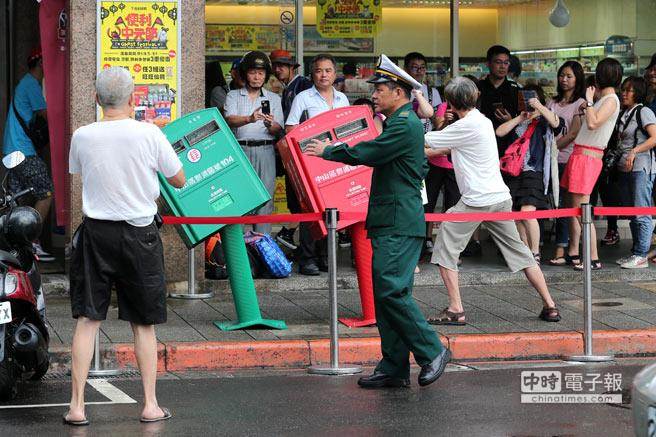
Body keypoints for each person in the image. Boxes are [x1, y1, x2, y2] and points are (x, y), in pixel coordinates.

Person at [305, 54, 450, 389]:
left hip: (400, 220)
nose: (374, 94)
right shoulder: (401, 122)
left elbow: (369, 152)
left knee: (390, 290)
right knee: (388, 294)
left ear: (398, 92)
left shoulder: (404, 124)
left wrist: (329, 150)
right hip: (390, 218)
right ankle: (393, 366)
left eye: (380, 88)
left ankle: (433, 350)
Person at [65, 67, 185, 426]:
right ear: (134, 99)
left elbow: (79, 173)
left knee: (88, 319)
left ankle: (76, 407)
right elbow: (178, 179)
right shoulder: (149, 134)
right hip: (140, 235)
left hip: (96, 234)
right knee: (143, 323)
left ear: (96, 99)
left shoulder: (82, 136)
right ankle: (149, 404)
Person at [424, 77, 560, 325]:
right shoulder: (482, 121)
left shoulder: (463, 126)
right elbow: (445, 148)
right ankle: (550, 305)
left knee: (444, 246)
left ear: (451, 103)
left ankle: (455, 309)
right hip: (499, 198)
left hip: (476, 199)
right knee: (522, 252)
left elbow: (427, 143)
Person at [285, 53, 350, 275]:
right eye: (319, 70)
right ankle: (307, 258)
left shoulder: (342, 99)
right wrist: (312, 140)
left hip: (337, 159)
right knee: (311, 209)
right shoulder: (303, 97)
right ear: (312, 74)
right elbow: (290, 128)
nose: (323, 75)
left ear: (334, 73)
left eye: (328, 70)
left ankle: (325, 256)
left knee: (333, 208)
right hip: (312, 160)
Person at [561, 58, 622, 271]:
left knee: (582, 209)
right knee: (575, 208)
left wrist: (587, 102)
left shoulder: (611, 100)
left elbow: (594, 123)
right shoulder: (602, 99)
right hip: (581, 155)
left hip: (587, 157)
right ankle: (579, 253)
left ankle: (593, 258)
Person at [495, 84, 564, 262]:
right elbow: (500, 132)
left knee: (527, 211)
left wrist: (539, 107)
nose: (525, 101)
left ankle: (535, 252)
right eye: (522, 98)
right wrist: (519, 117)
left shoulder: (544, 121)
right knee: (517, 214)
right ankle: (525, 250)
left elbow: (558, 124)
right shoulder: (520, 119)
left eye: (528, 97)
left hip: (535, 172)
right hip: (515, 173)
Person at [3, 47, 55, 262]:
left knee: (17, 198)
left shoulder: (25, 83)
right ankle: (32, 242)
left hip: (13, 149)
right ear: (41, 63)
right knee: (46, 193)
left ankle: (16, 243)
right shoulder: (31, 84)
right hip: (23, 151)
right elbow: (48, 115)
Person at [225, 51, 284, 235]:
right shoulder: (233, 95)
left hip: (265, 150)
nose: (257, 77)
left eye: (261, 73)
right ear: (245, 74)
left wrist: (269, 124)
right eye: (252, 72)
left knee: (265, 199)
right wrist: (250, 119)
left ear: (266, 75)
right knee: (239, 198)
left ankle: (263, 246)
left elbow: (278, 129)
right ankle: (241, 252)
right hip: (240, 150)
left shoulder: (274, 98)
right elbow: (229, 120)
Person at [269, 49, 313, 255]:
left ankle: (292, 233)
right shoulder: (288, 88)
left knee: (302, 197)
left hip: (303, 149)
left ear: (291, 67)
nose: (277, 70)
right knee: (296, 197)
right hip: (293, 149)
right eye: (275, 66)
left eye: (282, 66)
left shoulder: (302, 85)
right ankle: (291, 232)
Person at [612, 77, 656, 269]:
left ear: (638, 92)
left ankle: (641, 255)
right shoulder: (624, 113)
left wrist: (634, 151)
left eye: (629, 90)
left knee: (641, 211)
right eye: (623, 89)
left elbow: (654, 138)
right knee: (631, 212)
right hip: (625, 168)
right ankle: (636, 252)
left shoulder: (644, 111)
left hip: (642, 167)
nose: (624, 93)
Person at [547, 61, 587, 266]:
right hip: (551, 162)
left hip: (568, 159)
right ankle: (564, 247)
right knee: (557, 204)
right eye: (562, 75)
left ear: (578, 78)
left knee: (568, 206)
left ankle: (565, 248)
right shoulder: (552, 102)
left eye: (569, 76)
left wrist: (553, 147)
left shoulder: (580, 103)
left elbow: (574, 133)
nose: (564, 79)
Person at [478, 45, 520, 156]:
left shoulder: (516, 90)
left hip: (508, 148)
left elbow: (524, 121)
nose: (503, 67)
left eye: (506, 63)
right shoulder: (477, 88)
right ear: (488, 64)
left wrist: (511, 121)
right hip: (481, 145)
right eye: (498, 62)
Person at [403, 52, 442, 133]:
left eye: (422, 67)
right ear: (405, 69)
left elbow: (438, 119)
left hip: (427, 137)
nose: (419, 71)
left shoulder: (432, 92)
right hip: (405, 134)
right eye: (415, 67)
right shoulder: (400, 90)